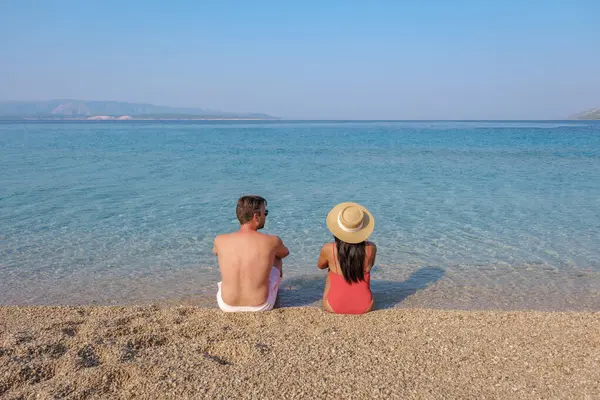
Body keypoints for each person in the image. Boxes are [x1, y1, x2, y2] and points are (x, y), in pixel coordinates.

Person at [214, 195, 289, 312]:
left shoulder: (220, 239)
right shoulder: (272, 241)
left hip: (226, 305)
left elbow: (216, 252)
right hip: (260, 305)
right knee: (276, 258)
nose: (265, 216)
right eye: (265, 213)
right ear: (256, 216)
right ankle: (273, 291)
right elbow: (284, 253)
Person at [317, 202, 377, 314]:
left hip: (333, 306)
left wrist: (334, 263)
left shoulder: (329, 248)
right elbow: (370, 265)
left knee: (331, 268)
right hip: (366, 305)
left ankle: (338, 297)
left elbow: (320, 266)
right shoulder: (371, 248)